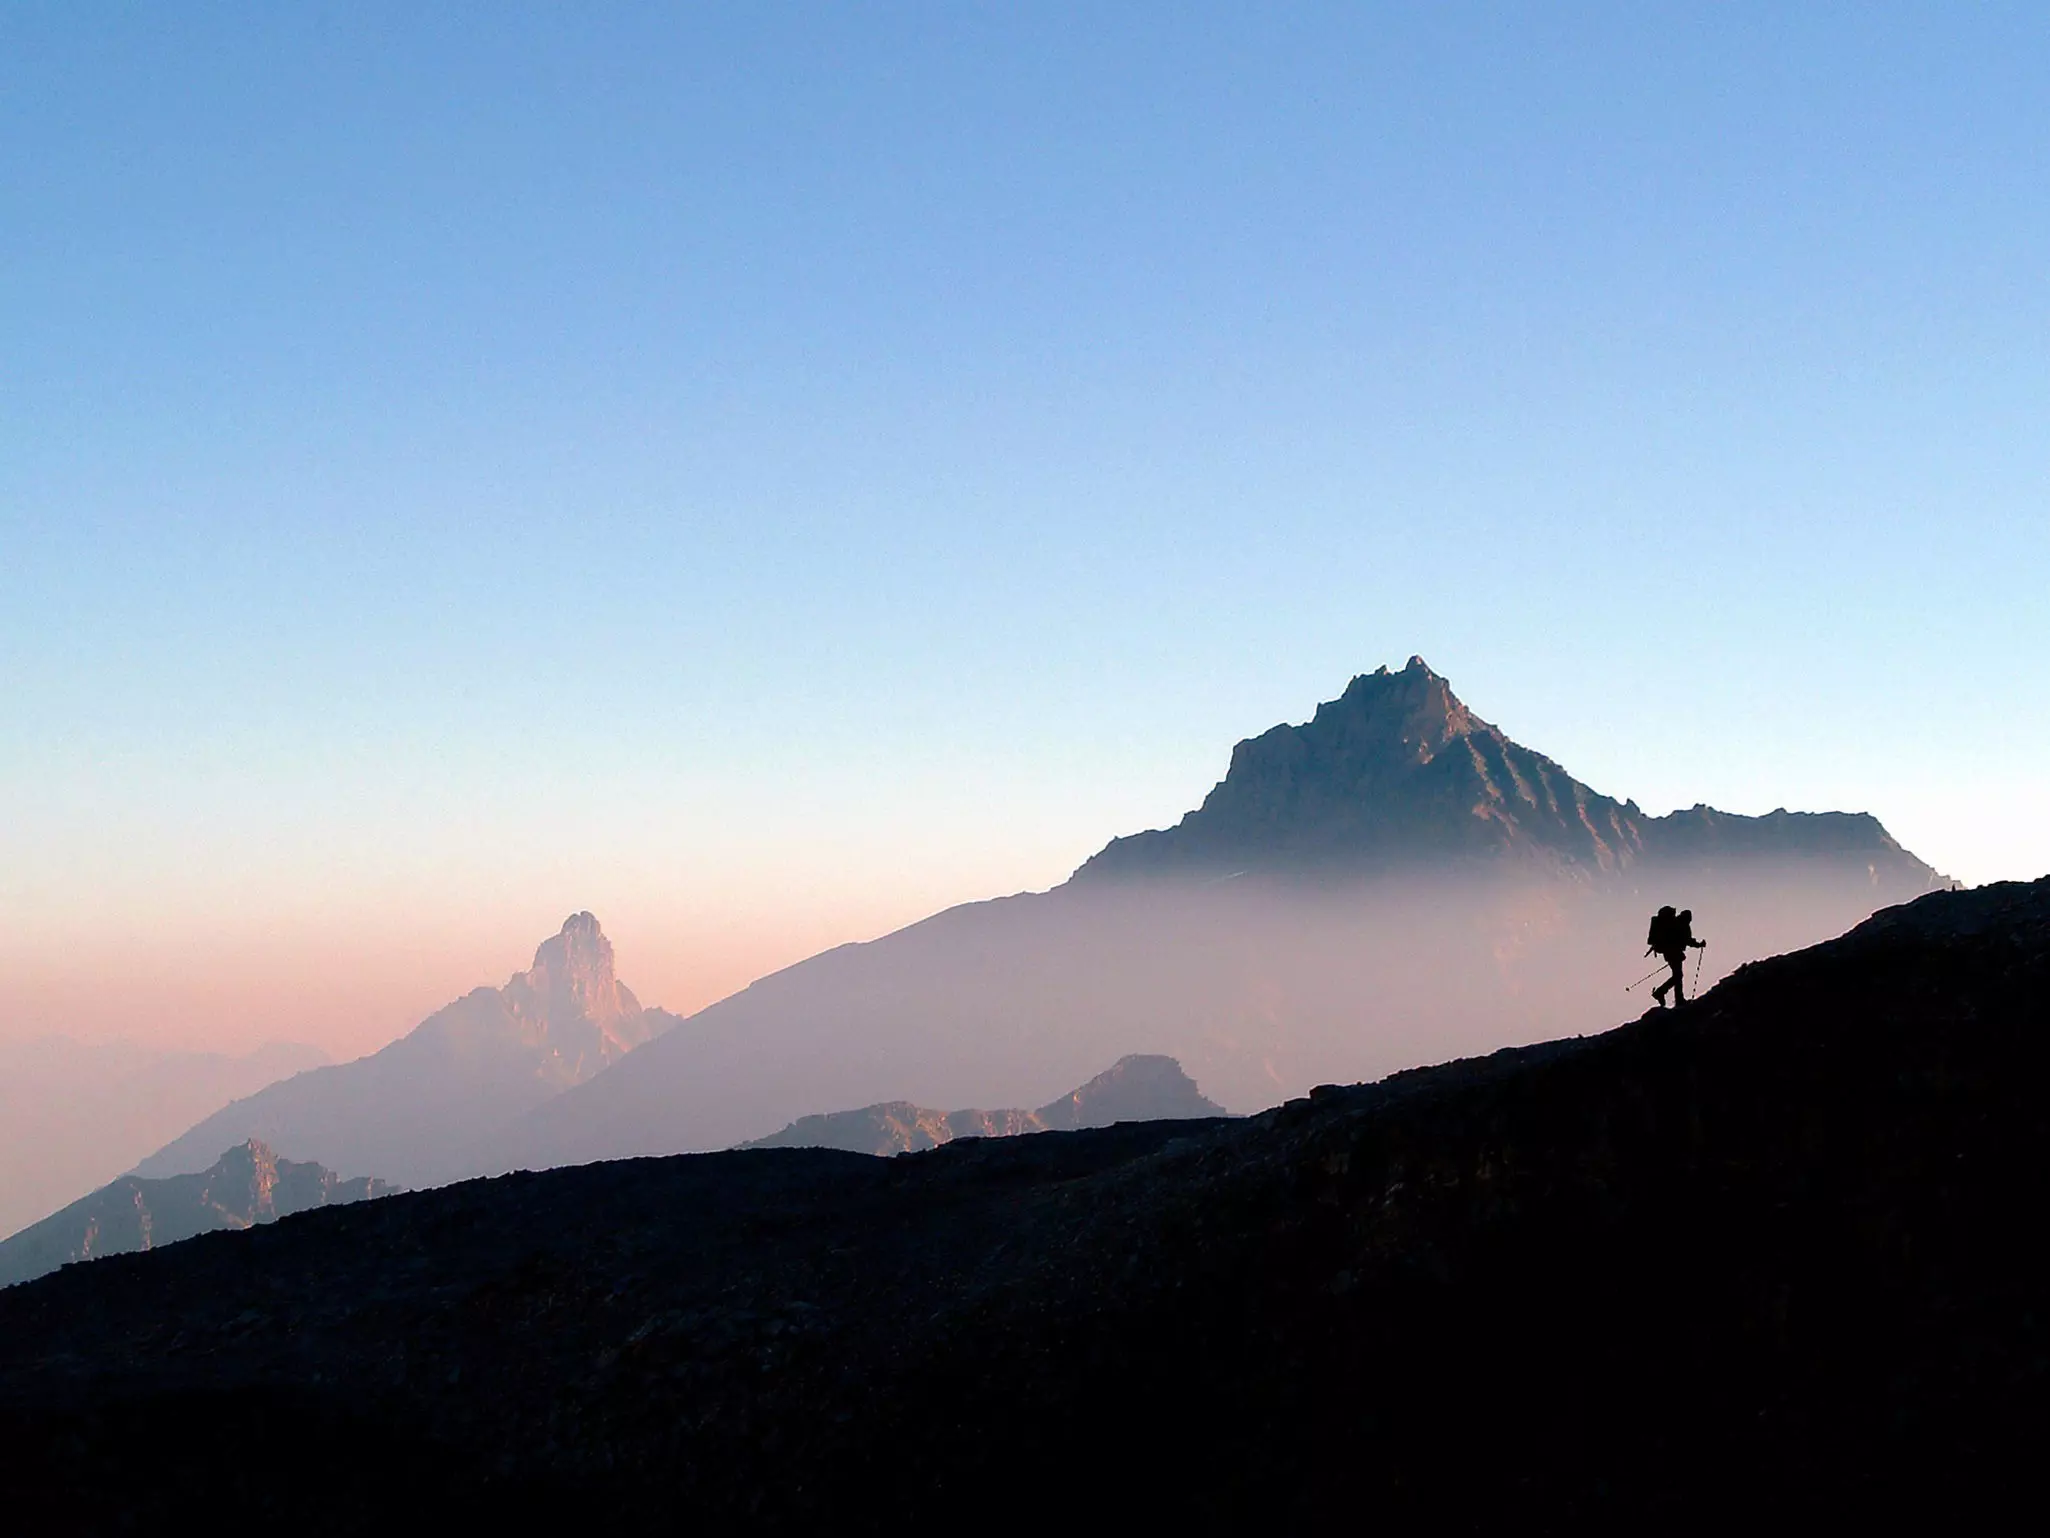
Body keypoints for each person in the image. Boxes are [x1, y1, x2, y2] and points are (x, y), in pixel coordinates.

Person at [1646, 905, 1706, 1008]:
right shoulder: (1680, 925)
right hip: (1673, 953)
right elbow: (1687, 940)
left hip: (1670, 953)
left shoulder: (1676, 923)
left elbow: (1686, 940)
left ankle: (1673, 996)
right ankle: (1667, 995)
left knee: (1677, 975)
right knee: (1678, 975)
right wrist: (1699, 944)